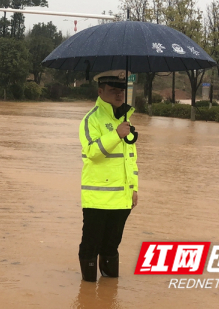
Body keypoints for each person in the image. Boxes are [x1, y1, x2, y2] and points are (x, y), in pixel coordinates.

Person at [78, 70, 139, 282]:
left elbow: (130, 159)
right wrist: (116, 134)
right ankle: (87, 293)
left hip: (122, 199)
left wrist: (134, 189)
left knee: (112, 245)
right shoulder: (91, 120)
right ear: (100, 91)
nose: (119, 94)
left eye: (121, 90)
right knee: (90, 245)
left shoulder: (126, 120)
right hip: (97, 198)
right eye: (113, 90)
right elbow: (93, 152)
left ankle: (108, 292)